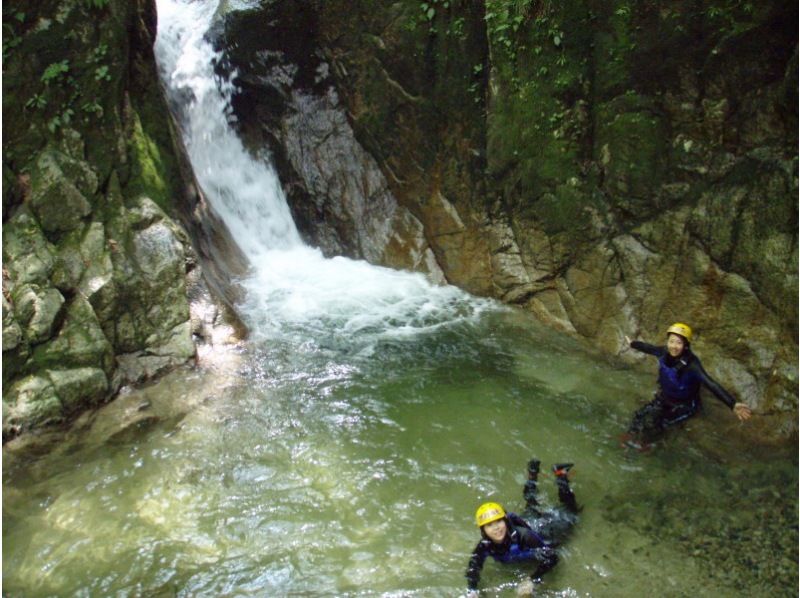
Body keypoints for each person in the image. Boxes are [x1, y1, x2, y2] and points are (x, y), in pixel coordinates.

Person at [621, 322, 752, 449]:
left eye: (679, 343)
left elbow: (710, 383)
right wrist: (633, 344)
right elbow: (650, 348)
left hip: (685, 406)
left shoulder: (692, 364)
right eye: (671, 341)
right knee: (639, 415)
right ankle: (629, 436)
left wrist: (732, 404)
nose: (674, 346)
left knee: (661, 423)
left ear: (686, 345)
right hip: (665, 398)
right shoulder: (664, 352)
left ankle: (648, 445)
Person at [465, 459, 579, 595]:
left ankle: (561, 475)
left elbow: (552, 557)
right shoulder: (484, 545)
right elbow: (473, 568)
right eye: (489, 525)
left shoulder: (524, 536)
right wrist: (472, 590)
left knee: (571, 511)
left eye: (498, 522)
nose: (496, 528)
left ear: (506, 522)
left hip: (541, 530)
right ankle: (532, 476)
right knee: (531, 503)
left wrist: (532, 579)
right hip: (528, 521)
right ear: (483, 531)